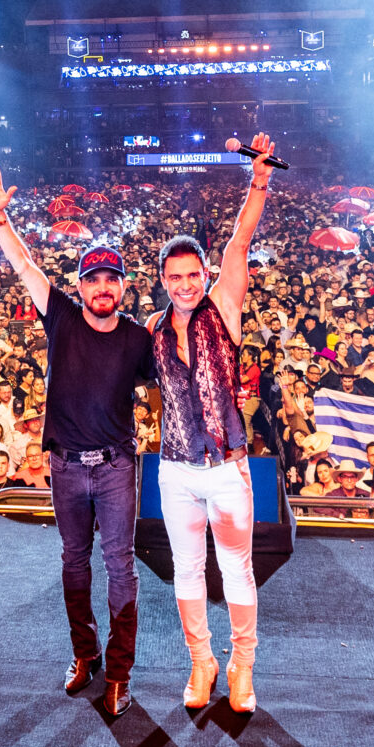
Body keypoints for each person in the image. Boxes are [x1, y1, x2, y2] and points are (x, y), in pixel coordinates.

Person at [0, 163, 155, 719]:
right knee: (74, 562)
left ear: (123, 288)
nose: (101, 287)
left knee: (120, 566)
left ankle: (119, 675)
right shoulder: (60, 317)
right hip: (67, 469)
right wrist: (0, 218)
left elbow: (166, 381)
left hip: (116, 467)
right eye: (92, 279)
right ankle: (86, 656)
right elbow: (25, 264)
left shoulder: (137, 338)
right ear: (79, 287)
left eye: (111, 279)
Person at [147, 133, 276, 713]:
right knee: (186, 570)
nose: (183, 284)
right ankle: (201, 662)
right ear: (163, 281)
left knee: (237, 569)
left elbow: (240, 239)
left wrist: (259, 179)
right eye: (173, 277)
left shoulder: (224, 308)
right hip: (174, 470)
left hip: (226, 467)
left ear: (203, 273)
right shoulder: (151, 328)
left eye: (191, 274)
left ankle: (243, 668)